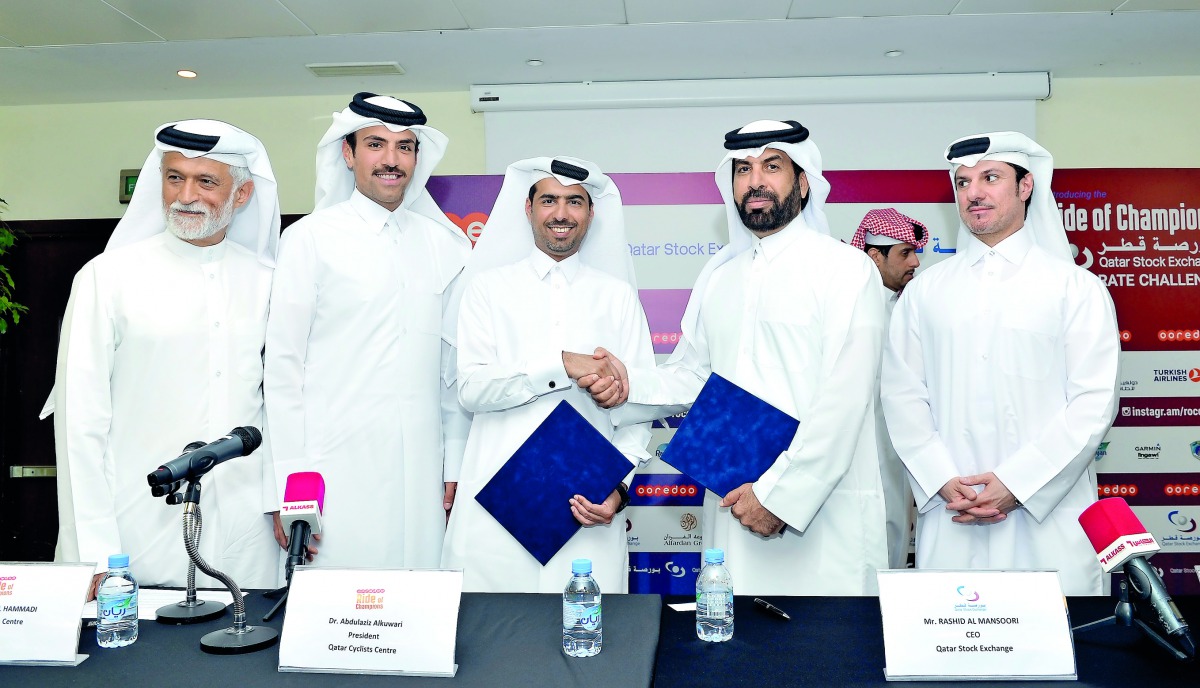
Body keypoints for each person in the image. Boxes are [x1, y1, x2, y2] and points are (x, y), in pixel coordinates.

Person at [595, 120, 889, 595]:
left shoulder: (846, 269)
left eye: (772, 166)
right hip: (735, 505)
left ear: (804, 181)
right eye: (743, 169)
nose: (755, 181)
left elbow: (845, 400)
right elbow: (691, 377)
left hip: (821, 514)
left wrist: (778, 497)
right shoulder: (720, 278)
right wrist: (626, 385)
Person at [45, 120, 282, 595]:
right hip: (136, 536)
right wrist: (92, 551)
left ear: (242, 195)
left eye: (206, 181)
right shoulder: (107, 278)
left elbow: (284, 407)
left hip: (249, 539)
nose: (185, 195)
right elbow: (79, 426)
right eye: (174, 177)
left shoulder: (271, 280)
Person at [881, 132, 1120, 595]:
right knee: (951, 655)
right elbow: (902, 394)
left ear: (1026, 186)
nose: (974, 192)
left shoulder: (1076, 289)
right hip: (952, 515)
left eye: (990, 177)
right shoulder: (925, 293)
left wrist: (1018, 483)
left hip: (1047, 521)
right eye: (962, 182)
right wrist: (942, 480)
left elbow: (1092, 404)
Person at [265, 93, 472, 569]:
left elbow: (452, 372)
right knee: (336, 618)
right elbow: (281, 372)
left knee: (417, 611)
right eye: (376, 144)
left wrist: (454, 464)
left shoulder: (448, 246)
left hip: (422, 473)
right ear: (348, 153)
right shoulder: (309, 239)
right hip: (333, 473)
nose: (392, 160)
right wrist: (284, 487)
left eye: (405, 147)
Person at [442, 156, 653, 593]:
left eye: (575, 201)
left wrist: (619, 490)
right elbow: (472, 390)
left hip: (586, 501)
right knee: (490, 644)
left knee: (588, 641)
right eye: (550, 200)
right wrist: (560, 367)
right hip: (494, 500)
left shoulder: (617, 298)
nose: (562, 213)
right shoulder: (487, 289)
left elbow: (639, 406)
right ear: (528, 208)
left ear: (591, 213)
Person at [850, 208, 929, 570]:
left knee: (895, 542)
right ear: (873, 256)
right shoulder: (844, 308)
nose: (915, 261)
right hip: (851, 451)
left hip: (902, 454)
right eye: (904, 253)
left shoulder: (914, 307)